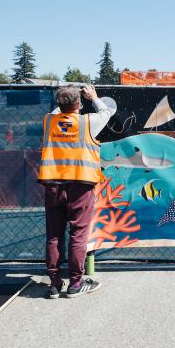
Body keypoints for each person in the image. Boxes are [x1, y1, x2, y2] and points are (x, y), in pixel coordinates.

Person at [38, 84, 116, 299]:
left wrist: (67, 99)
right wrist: (94, 97)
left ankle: (54, 284)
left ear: (58, 104)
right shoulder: (88, 121)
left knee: (53, 235)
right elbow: (107, 111)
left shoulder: (49, 121)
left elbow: (57, 111)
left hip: (53, 184)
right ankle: (75, 283)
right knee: (78, 235)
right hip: (81, 185)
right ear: (79, 103)